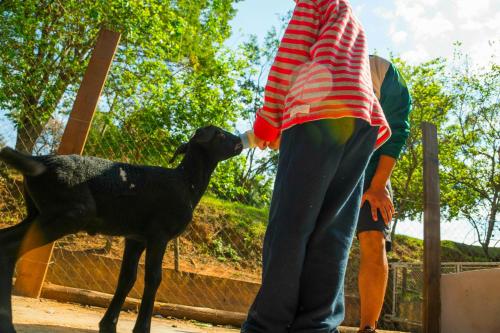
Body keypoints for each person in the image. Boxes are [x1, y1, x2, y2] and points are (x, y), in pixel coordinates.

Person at [241, 0, 391, 332]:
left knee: (290, 228)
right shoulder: (349, 15)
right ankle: (317, 325)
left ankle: (268, 324)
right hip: (361, 123)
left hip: (317, 112)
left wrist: (269, 120)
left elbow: (289, 59)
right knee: (332, 233)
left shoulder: (314, 3)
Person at [356, 55, 411, 333]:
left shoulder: (383, 72)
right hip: (329, 161)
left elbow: (397, 130)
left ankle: (368, 326)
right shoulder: (317, 65)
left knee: (373, 238)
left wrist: (378, 185)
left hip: (373, 166)